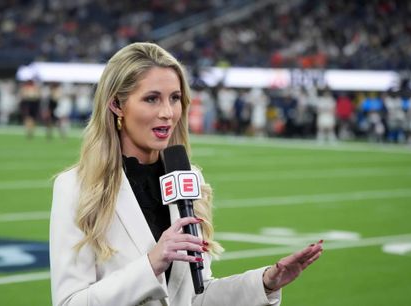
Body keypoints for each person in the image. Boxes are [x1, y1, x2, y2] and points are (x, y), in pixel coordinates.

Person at [50, 42, 323, 306]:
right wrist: (152, 263)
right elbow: (70, 302)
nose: (168, 113)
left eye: (175, 98)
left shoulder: (188, 178)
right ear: (117, 105)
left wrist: (266, 282)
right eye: (151, 99)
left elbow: (196, 297)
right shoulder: (76, 187)